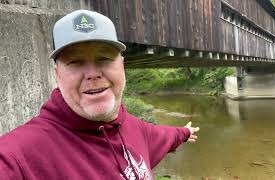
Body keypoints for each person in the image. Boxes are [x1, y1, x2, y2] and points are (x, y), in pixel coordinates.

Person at [0, 10, 199, 180]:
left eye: (104, 58)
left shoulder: (135, 128)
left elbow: (166, 135)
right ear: (57, 74)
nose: (92, 74)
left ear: (122, 66)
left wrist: (185, 133)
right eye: (75, 62)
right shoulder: (18, 156)